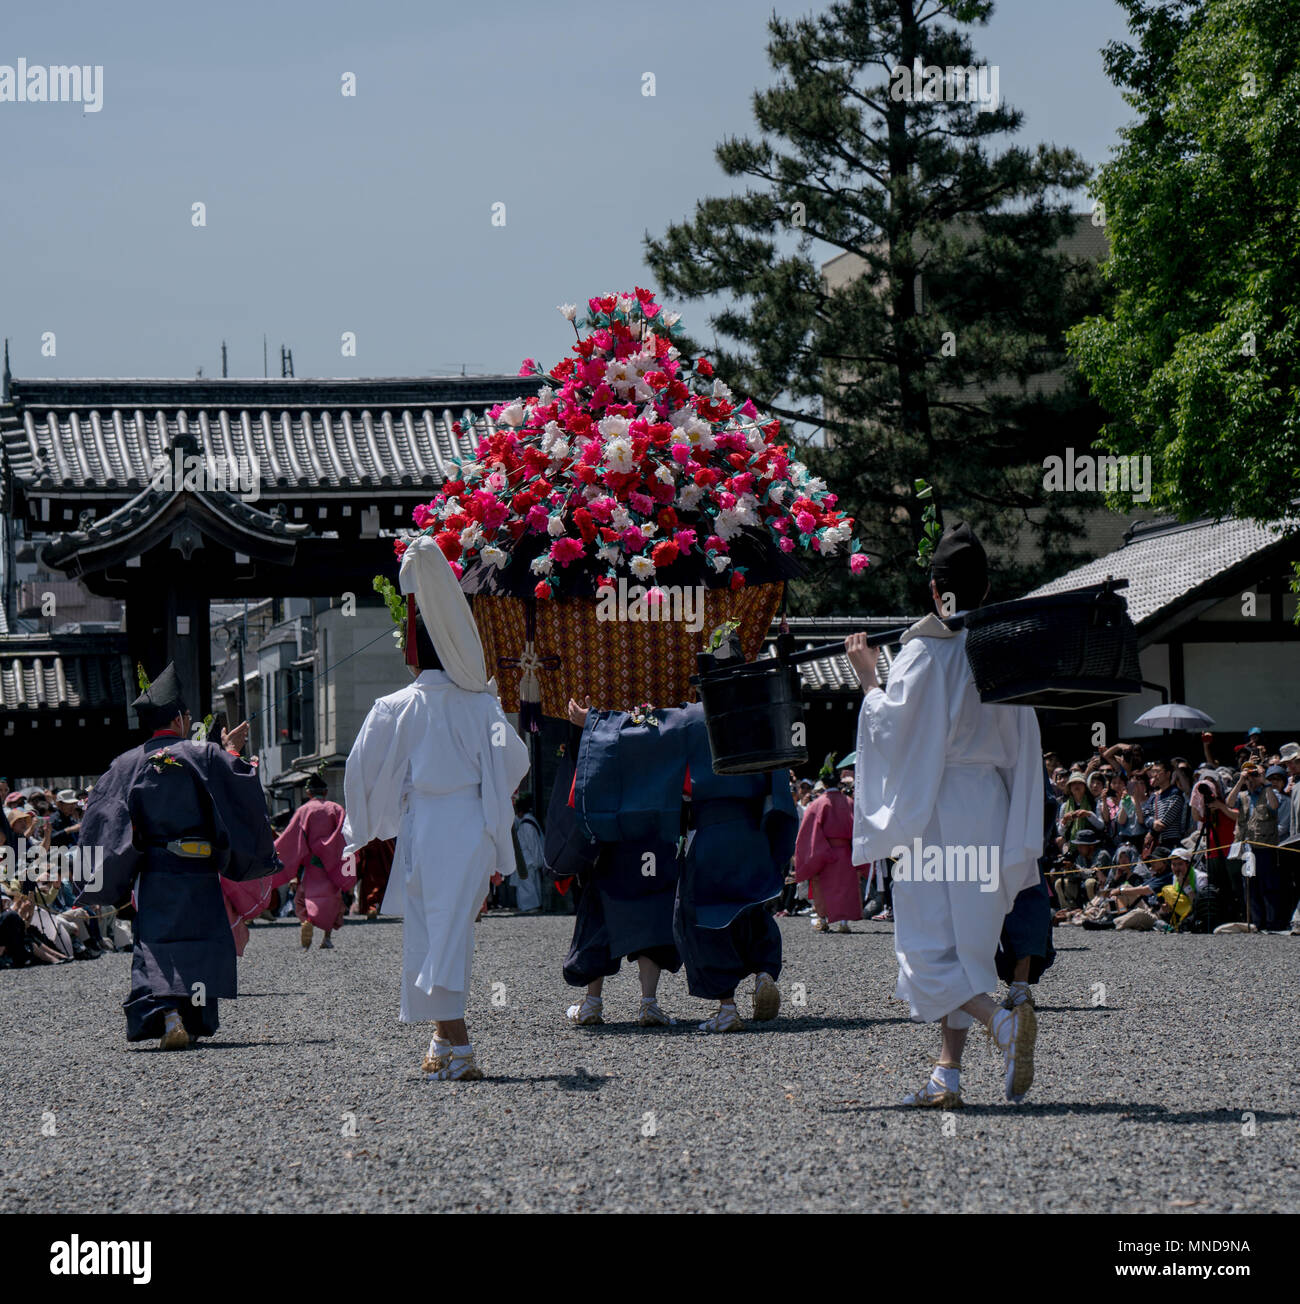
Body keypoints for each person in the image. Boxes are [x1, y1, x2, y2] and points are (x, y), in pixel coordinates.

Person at [847, 521, 1043, 1107]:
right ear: (984, 591)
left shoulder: (925, 651)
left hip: (937, 809)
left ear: (936, 590)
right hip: (990, 805)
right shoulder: (1002, 652)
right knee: (968, 949)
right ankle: (946, 1075)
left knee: (926, 952)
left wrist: (866, 679)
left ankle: (1001, 1023)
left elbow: (894, 729)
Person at [342, 535, 529, 1082]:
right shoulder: (479, 705)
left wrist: (375, 814)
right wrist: (490, 793)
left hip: (424, 825)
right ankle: (442, 1040)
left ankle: (462, 1045)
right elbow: (516, 762)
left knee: (438, 932)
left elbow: (360, 768)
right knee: (443, 932)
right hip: (467, 823)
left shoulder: (394, 707)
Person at [74, 662, 280, 1050]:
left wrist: (108, 876)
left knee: (156, 942)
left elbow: (102, 818)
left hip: (155, 872)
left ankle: (168, 1015)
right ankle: (191, 1015)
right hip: (199, 871)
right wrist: (231, 749)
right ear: (182, 719)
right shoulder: (203, 754)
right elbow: (238, 781)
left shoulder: (125, 765)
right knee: (200, 941)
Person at [553, 702, 682, 1029]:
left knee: (600, 917)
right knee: (651, 918)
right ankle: (648, 1003)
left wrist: (590, 722)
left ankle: (593, 1003)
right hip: (654, 841)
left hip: (617, 840)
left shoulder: (610, 745)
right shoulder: (662, 739)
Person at [276, 774, 352, 950]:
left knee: (303, 897)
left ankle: (307, 920)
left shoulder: (304, 810)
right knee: (333, 900)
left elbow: (291, 837)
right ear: (325, 792)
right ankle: (326, 938)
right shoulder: (337, 808)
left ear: (308, 793)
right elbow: (345, 835)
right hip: (331, 864)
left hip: (310, 865)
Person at [793, 780, 862, 933]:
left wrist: (813, 854)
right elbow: (859, 829)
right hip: (845, 851)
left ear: (823, 783)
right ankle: (844, 922)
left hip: (823, 850)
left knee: (821, 887)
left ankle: (823, 920)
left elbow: (809, 832)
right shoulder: (849, 802)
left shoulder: (818, 803)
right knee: (845, 886)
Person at [509, 792, 544, 915]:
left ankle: (530, 906)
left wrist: (537, 861)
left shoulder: (527, 825)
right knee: (528, 885)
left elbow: (533, 845)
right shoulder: (529, 822)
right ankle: (529, 906)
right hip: (527, 860)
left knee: (527, 886)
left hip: (528, 861)